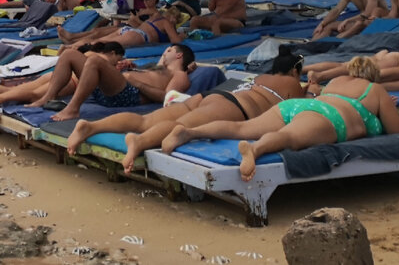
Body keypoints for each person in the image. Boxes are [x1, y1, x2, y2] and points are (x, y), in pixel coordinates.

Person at [163, 57, 399, 182]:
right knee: (289, 137)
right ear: (374, 76)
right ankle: (255, 149)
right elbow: (398, 131)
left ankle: (188, 132)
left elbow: (314, 94)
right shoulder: (375, 90)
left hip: (298, 105)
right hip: (330, 117)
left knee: (242, 127)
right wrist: (388, 106)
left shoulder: (335, 83)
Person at [65, 45, 307, 171]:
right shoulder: (293, 84)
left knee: (146, 120)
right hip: (234, 106)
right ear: (295, 71)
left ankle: (91, 127)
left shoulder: (258, 77)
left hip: (212, 96)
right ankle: (139, 143)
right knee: (183, 127)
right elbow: (302, 108)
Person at [0, 42, 128, 123]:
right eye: (119, 57)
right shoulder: (104, 59)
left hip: (58, 73)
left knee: (21, 88)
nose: (120, 60)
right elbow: (102, 73)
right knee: (35, 95)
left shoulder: (87, 51)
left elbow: (65, 51)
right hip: (73, 80)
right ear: (112, 52)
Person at [36, 43, 195, 121]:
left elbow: (168, 98)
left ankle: (72, 109)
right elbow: (161, 62)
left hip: (128, 94)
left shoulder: (180, 74)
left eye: (169, 50)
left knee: (95, 61)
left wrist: (137, 83)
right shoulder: (159, 67)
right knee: (69, 54)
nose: (165, 52)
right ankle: (48, 97)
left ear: (179, 56)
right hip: (114, 89)